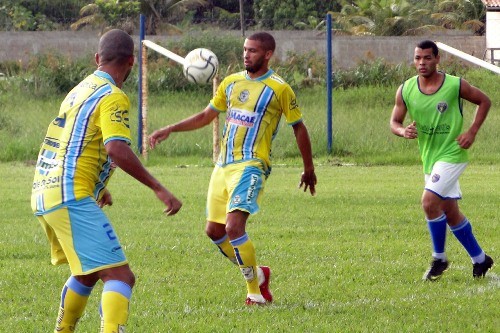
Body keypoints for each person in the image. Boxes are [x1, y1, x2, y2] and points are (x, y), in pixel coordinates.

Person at [31, 29, 182, 332]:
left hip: (44, 190)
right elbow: (115, 147)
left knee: (87, 272)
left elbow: (74, 142)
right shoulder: (113, 95)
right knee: (121, 277)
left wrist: (99, 186)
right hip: (69, 193)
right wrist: (159, 188)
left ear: (97, 58)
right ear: (131, 61)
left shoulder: (79, 89)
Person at [149, 32, 317, 305]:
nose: (246, 54)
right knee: (214, 232)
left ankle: (255, 292)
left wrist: (308, 167)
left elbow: (298, 126)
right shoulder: (231, 82)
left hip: (252, 165)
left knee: (235, 227)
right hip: (223, 166)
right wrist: (171, 128)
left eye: (252, 51)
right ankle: (259, 275)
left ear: (267, 55)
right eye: (245, 50)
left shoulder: (279, 88)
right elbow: (206, 116)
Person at [390, 40, 494, 281]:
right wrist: (402, 131)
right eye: (418, 58)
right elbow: (394, 122)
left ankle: (439, 258)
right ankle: (480, 259)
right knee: (449, 210)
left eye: (427, 58)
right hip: (430, 159)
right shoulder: (405, 89)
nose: (422, 63)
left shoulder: (454, 85)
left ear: (438, 59)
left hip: (453, 153)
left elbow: (484, 101)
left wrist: (472, 132)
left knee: (428, 203)